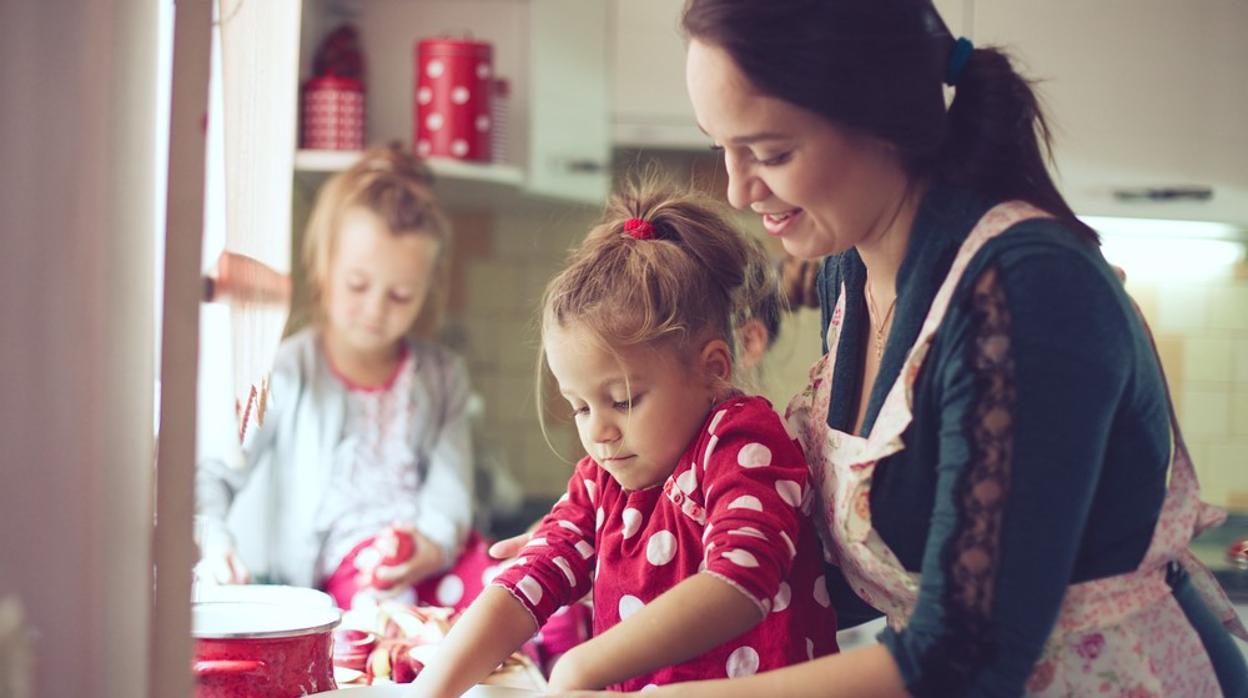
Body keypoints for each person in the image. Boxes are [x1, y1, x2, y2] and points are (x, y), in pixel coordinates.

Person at [508, 2, 1248, 696]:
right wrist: (613, 543)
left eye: (769, 150)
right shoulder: (851, 272)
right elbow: (826, 557)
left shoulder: (1025, 291)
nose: (737, 190)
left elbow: (968, 654)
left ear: (881, 119)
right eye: (721, 148)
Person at [413, 182, 838, 696]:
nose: (599, 431)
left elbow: (740, 582)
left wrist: (582, 666)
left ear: (713, 370)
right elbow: (532, 576)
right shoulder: (602, 479)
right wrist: (426, 692)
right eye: (581, 407)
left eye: (624, 401)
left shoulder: (742, 442)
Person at [194, 144, 492, 612]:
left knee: (520, 596)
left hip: (435, 558)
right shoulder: (287, 373)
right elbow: (212, 473)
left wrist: (429, 544)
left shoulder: (443, 376)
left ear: (427, 292)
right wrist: (213, 540)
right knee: (392, 622)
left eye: (400, 295)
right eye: (358, 285)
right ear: (324, 265)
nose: (375, 310)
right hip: (347, 583)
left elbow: (451, 489)